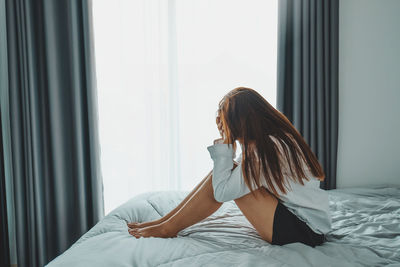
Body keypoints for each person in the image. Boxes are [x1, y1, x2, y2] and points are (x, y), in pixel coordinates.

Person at [127, 87, 331, 247]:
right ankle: (165, 223)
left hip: (305, 231)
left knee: (227, 176)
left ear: (238, 122)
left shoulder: (266, 150)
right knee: (230, 171)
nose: (220, 125)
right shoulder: (270, 142)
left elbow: (222, 192)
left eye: (223, 121)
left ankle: (167, 227)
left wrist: (225, 145)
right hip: (304, 223)